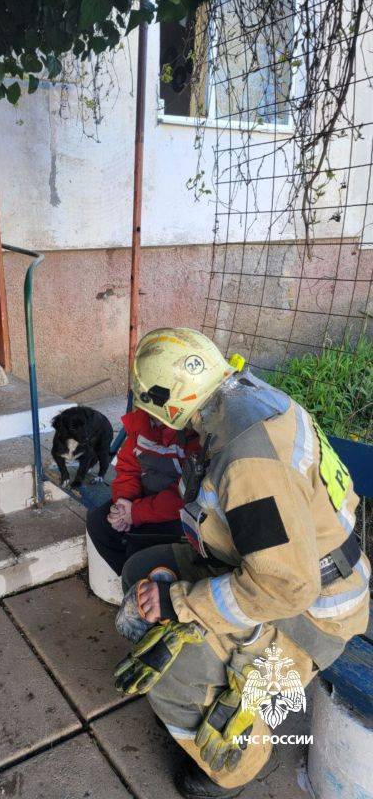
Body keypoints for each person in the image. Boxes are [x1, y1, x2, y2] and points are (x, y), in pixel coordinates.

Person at [112, 328, 370, 798]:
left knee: (172, 667)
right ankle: (207, 688)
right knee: (141, 568)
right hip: (287, 573)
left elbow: (284, 588)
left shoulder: (248, 459)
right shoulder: (242, 396)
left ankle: (230, 766)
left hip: (313, 615)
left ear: (171, 403)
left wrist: (179, 604)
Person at [85, 400, 201, 600]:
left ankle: (151, 598)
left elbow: (187, 494)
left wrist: (135, 513)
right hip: (143, 502)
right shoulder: (141, 424)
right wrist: (122, 504)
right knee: (98, 523)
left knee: (141, 543)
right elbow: (128, 469)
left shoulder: (194, 434)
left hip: (180, 511)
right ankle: (133, 587)